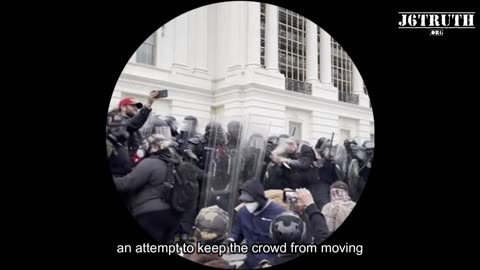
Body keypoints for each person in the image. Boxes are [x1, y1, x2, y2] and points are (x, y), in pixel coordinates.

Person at [113, 134, 182, 243]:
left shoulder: (150, 163)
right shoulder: (176, 164)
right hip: (174, 215)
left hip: (150, 215)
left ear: (155, 147)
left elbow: (126, 184)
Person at [226, 179, 285, 269]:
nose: (247, 204)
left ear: (259, 199)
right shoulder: (243, 212)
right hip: (250, 261)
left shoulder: (279, 213)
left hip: (270, 261)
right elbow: (237, 232)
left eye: (249, 201)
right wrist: (230, 242)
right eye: (244, 201)